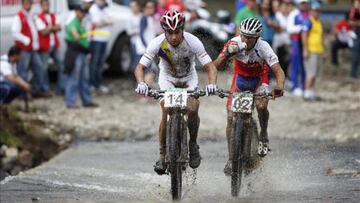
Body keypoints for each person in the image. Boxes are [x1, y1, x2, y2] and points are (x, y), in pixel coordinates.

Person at [134, 10, 218, 175]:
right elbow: (140, 67)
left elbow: (210, 67)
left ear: (182, 29)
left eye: (177, 32)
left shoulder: (193, 41)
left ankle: (193, 145)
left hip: (188, 78)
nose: (173, 37)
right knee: (166, 112)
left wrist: (212, 84)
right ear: (164, 31)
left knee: (193, 108)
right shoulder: (157, 43)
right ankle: (162, 154)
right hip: (168, 79)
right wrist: (141, 82)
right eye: (169, 33)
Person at [213, 18, 285, 175]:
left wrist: (279, 87)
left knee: (261, 105)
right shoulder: (234, 42)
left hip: (260, 79)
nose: (245, 39)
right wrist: (226, 54)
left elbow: (278, 71)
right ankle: (231, 159)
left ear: (257, 38)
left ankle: (264, 134)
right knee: (231, 117)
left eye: (250, 37)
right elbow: (215, 66)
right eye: (243, 35)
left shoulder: (264, 47)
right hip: (240, 80)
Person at [12, 0, 50, 97]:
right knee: (23, 71)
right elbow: (15, 32)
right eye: (26, 3)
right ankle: (23, 94)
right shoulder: (19, 16)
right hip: (24, 48)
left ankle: (34, 90)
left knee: (39, 68)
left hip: (32, 48)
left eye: (29, 3)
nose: (28, 5)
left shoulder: (32, 16)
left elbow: (40, 26)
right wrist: (26, 40)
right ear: (23, 4)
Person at [64, 6, 98, 109]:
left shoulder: (81, 23)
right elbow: (74, 34)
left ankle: (86, 100)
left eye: (85, 13)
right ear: (76, 12)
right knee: (74, 78)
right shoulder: (73, 23)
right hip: (75, 54)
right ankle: (70, 102)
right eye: (82, 12)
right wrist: (77, 35)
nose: (83, 14)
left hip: (83, 53)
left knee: (84, 78)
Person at [35, 0, 64, 94]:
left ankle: (61, 87)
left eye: (47, 5)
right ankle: (45, 88)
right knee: (44, 68)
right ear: (41, 6)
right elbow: (43, 32)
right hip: (45, 46)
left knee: (61, 65)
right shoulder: (39, 17)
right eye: (44, 5)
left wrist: (49, 28)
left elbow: (59, 27)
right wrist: (53, 27)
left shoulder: (53, 15)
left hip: (54, 44)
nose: (46, 6)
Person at [287, 0, 310, 97]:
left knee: (305, 65)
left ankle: (304, 86)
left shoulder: (309, 14)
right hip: (296, 42)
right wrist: (301, 28)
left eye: (305, 3)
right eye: (302, 3)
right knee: (295, 64)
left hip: (308, 42)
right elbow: (289, 28)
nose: (304, 5)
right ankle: (295, 86)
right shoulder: (294, 14)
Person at [89, 0, 113, 93]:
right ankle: (92, 84)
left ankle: (98, 84)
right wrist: (106, 22)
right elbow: (96, 24)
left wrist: (104, 22)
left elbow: (111, 21)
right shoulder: (93, 9)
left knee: (101, 63)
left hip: (104, 39)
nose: (102, 2)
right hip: (96, 39)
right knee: (94, 63)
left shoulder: (105, 9)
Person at [302, 1, 324, 101]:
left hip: (318, 50)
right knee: (311, 73)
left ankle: (312, 92)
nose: (316, 13)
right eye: (315, 10)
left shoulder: (319, 22)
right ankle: (307, 93)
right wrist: (305, 49)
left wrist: (323, 50)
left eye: (318, 11)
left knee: (317, 74)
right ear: (311, 11)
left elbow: (321, 37)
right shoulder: (308, 21)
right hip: (311, 51)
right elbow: (304, 35)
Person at [127, 1, 143, 73]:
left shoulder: (142, 16)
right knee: (136, 59)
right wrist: (138, 31)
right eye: (131, 7)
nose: (133, 8)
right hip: (134, 42)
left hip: (143, 42)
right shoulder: (129, 18)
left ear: (138, 7)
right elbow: (129, 31)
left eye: (134, 6)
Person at [349, 0, 360, 79]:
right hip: (357, 34)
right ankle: (353, 75)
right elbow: (351, 22)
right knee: (355, 56)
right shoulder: (354, 11)